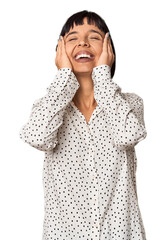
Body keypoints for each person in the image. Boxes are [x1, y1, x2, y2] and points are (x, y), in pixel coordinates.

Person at [19, 10, 147, 240]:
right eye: (72, 38)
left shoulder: (129, 104)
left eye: (94, 37)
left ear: (109, 51)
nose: (83, 43)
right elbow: (36, 136)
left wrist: (102, 76)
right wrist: (63, 75)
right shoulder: (49, 107)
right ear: (60, 51)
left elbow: (128, 135)